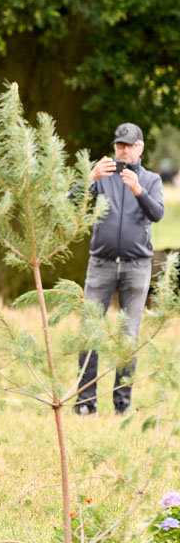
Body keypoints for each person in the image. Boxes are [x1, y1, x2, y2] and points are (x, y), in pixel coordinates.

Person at [74, 122, 165, 416]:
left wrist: (139, 190)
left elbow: (158, 213)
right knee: (90, 332)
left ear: (140, 148)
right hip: (100, 265)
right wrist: (89, 178)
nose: (123, 150)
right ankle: (85, 403)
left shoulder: (151, 180)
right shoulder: (102, 176)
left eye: (128, 145)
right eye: (119, 145)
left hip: (137, 268)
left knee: (128, 336)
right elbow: (72, 201)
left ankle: (121, 405)